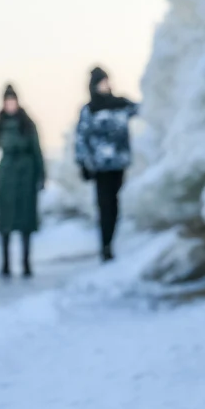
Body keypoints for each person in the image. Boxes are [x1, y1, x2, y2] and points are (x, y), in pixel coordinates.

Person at [73, 66, 139, 262]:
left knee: (115, 205)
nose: (105, 85)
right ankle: (105, 246)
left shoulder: (121, 104)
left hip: (119, 164)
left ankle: (111, 240)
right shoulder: (90, 110)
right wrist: (82, 163)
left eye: (106, 81)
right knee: (104, 206)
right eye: (101, 82)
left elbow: (148, 109)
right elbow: (81, 138)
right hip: (100, 167)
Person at [0, 85, 45, 277]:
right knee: (5, 222)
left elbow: (37, 151)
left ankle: (26, 262)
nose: (10, 105)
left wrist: (41, 175)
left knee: (26, 222)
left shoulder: (27, 124)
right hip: (6, 177)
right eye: (7, 101)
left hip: (26, 177)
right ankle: (5, 263)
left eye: (13, 100)